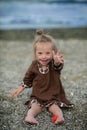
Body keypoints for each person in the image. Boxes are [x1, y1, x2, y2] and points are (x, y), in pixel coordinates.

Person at [10, 30, 73, 125]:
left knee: (55, 107)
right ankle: (30, 117)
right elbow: (28, 78)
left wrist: (57, 62)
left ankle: (59, 117)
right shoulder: (34, 65)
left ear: (53, 53)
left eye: (47, 53)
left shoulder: (53, 64)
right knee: (34, 107)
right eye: (40, 53)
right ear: (35, 53)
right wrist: (19, 88)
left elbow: (57, 66)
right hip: (38, 95)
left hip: (52, 95)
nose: (44, 57)